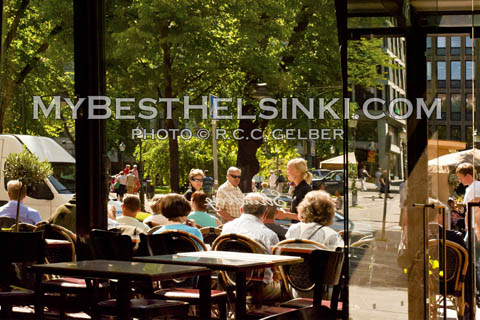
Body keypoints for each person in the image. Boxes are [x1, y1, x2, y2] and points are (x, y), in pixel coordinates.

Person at [221, 193, 282, 300]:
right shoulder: (268, 235)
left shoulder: (226, 228)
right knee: (286, 287)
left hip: (230, 283)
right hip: (259, 288)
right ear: (265, 214)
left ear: (241, 210)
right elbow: (277, 268)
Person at [456, 162, 480, 238]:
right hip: (473, 226)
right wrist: (467, 225)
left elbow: (477, 209)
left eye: (460, 177)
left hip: (476, 226)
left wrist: (477, 229)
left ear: (468, 176)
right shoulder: (471, 187)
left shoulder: (475, 187)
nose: (460, 180)